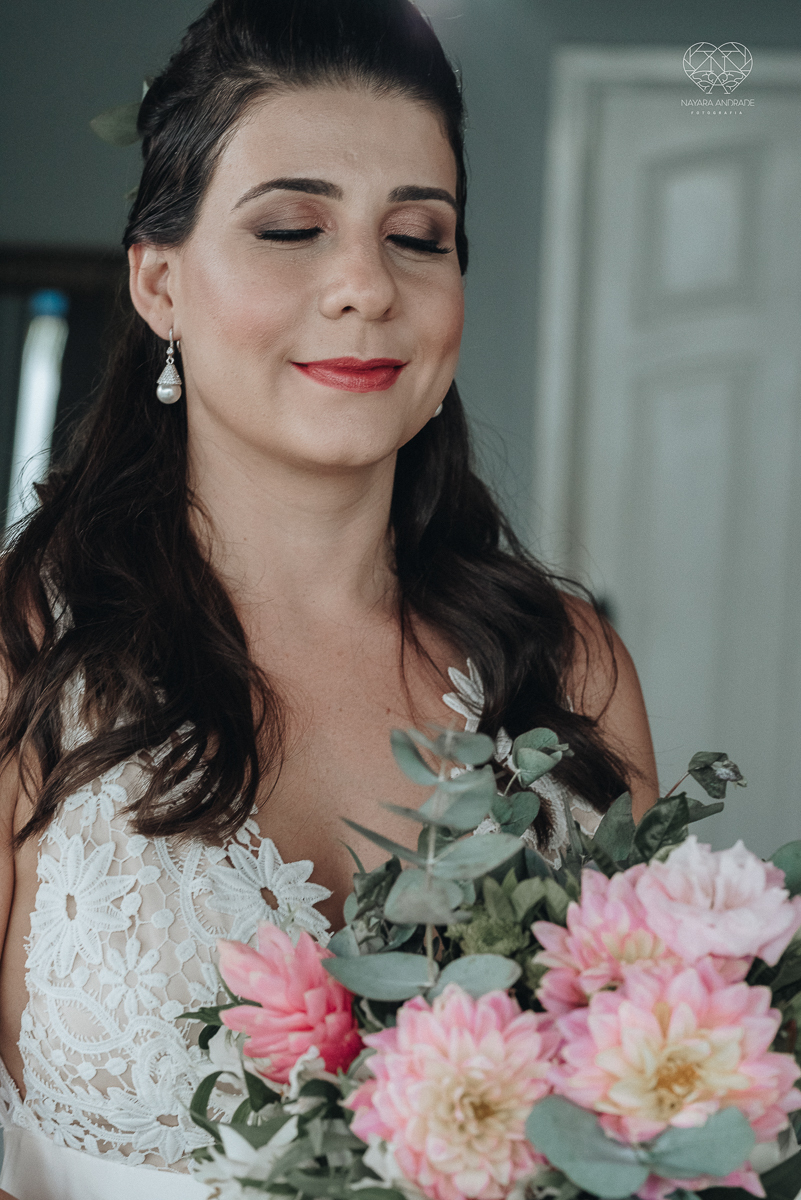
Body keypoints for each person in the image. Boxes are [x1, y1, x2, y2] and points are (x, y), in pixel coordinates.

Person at [0, 0, 659, 1194]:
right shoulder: (24, 656)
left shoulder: (568, 667)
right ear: (158, 282)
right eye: (293, 227)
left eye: (418, 235)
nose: (364, 283)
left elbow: (652, 1117)